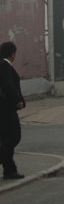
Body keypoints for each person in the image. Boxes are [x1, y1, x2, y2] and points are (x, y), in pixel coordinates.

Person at [0, 42, 26, 180]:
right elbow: (8, 84)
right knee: (14, 137)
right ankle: (9, 169)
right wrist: (17, 100)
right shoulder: (4, 66)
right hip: (6, 108)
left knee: (5, 138)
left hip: (3, 108)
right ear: (12, 54)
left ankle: (9, 170)